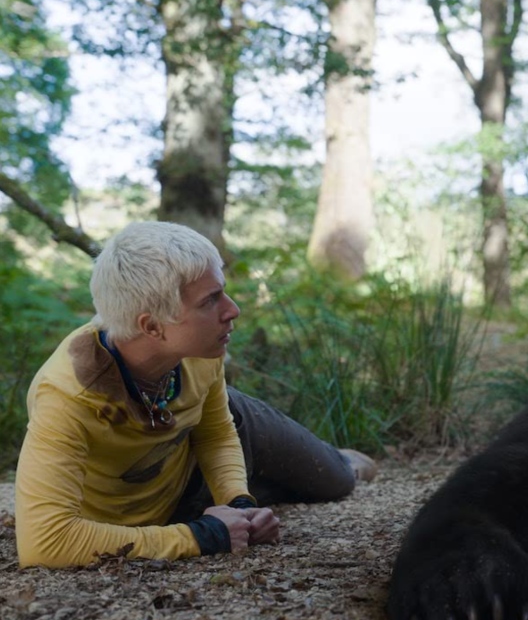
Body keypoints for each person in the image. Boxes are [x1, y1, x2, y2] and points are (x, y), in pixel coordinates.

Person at [15, 221, 377, 568]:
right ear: (152, 326)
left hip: (196, 465)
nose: (232, 310)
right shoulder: (67, 395)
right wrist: (203, 537)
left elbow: (217, 431)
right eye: (211, 300)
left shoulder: (201, 351)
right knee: (289, 490)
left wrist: (236, 503)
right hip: (160, 511)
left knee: (337, 482)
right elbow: (44, 542)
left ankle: (341, 462)